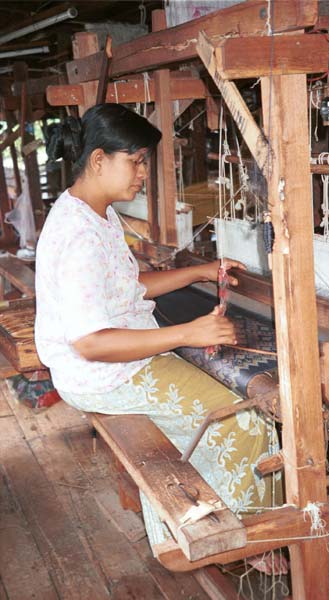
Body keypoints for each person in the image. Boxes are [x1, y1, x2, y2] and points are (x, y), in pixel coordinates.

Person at [35, 103, 286, 574]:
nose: (143, 175)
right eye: (136, 161)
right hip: (102, 372)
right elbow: (90, 341)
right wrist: (189, 331)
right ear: (98, 160)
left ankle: (203, 521)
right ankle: (252, 540)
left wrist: (202, 270)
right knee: (245, 420)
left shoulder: (95, 215)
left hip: (110, 362)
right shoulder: (79, 236)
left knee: (223, 407)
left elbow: (127, 290)